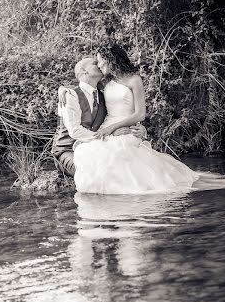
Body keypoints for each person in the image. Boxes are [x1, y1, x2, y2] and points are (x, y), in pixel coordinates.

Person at [59, 43, 201, 194]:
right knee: (97, 154)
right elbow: (83, 84)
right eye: (97, 63)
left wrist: (121, 128)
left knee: (121, 153)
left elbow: (140, 114)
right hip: (107, 127)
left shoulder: (134, 80)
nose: (99, 65)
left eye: (100, 61)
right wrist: (62, 89)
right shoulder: (105, 82)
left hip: (124, 127)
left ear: (110, 59)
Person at [52, 55, 147, 177]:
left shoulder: (102, 95)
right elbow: (75, 131)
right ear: (84, 71)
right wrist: (108, 135)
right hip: (67, 150)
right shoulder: (69, 95)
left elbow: (121, 113)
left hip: (91, 145)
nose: (99, 65)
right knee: (91, 171)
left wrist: (141, 128)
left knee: (117, 165)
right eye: (95, 63)